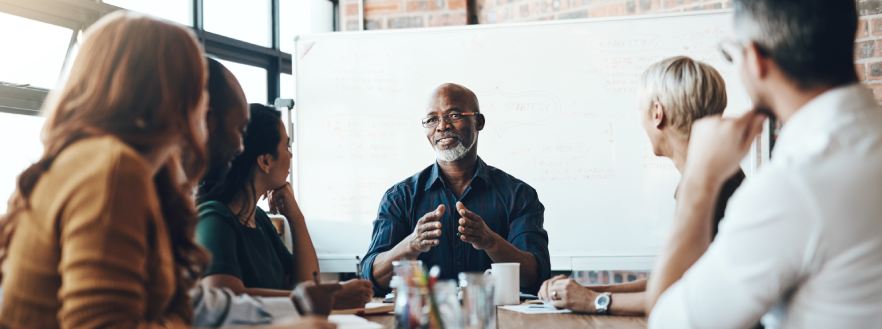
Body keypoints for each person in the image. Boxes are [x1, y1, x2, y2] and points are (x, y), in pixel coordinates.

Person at [645, 1, 882, 328]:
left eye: (733, 53)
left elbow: (669, 322)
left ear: (755, 58)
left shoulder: (793, 184)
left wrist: (700, 181)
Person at [0, 12, 211, 328]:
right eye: (200, 86)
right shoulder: (114, 170)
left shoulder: (79, 162)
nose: (206, 100)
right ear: (172, 96)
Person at [538, 56, 745, 316]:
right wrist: (586, 290)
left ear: (658, 113)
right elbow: (672, 278)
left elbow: (684, 294)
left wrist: (594, 301)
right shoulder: (713, 176)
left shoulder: (709, 187)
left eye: (641, 110)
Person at [361, 83, 551, 294]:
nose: (442, 126)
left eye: (454, 115)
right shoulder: (399, 197)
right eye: (432, 119)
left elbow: (536, 277)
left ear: (478, 122)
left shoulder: (519, 195)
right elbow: (371, 278)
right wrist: (411, 245)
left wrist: (490, 242)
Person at [196, 104, 372, 309]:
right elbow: (221, 298)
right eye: (286, 147)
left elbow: (305, 284)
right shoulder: (214, 218)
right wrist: (329, 298)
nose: (290, 155)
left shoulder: (259, 219)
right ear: (265, 161)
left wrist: (296, 218)